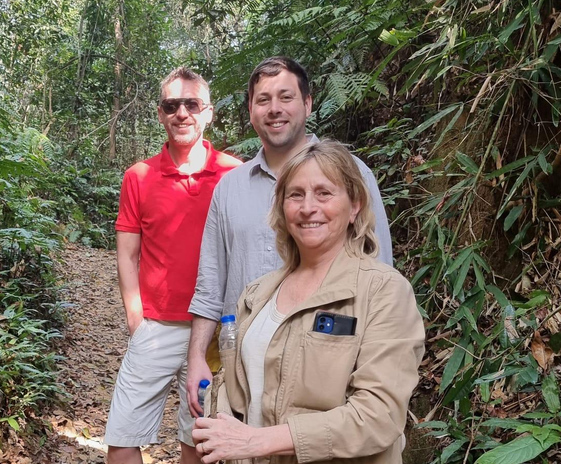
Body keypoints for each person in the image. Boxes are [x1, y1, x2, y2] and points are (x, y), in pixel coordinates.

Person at [192, 140, 425, 464]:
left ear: (354, 204)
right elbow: (231, 387)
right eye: (296, 194)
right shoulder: (257, 294)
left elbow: (378, 416)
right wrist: (217, 424)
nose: (307, 207)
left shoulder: (384, 292)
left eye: (324, 193)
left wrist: (259, 441)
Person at [187, 57, 393, 417]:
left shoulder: (352, 173)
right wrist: (197, 359)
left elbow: (381, 271)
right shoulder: (230, 188)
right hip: (244, 370)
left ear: (308, 103)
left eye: (286, 97)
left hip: (329, 364)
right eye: (263, 100)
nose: (274, 109)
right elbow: (210, 284)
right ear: (250, 110)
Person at [105, 67, 242, 464]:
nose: (182, 113)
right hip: (157, 324)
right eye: (172, 105)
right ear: (161, 113)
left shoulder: (235, 174)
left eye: (192, 104)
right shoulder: (139, 176)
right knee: (122, 439)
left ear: (208, 112)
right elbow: (127, 253)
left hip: (216, 329)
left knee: (198, 441)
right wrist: (136, 319)